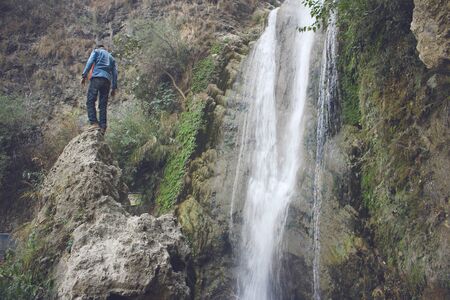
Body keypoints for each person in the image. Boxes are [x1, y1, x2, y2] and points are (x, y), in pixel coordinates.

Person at [81, 44, 118, 133]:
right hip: (107, 82)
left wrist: (84, 75)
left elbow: (90, 62)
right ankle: (103, 126)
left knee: (90, 100)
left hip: (97, 78)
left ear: (98, 47)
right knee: (103, 104)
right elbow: (115, 73)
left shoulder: (96, 51)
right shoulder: (111, 58)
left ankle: (94, 123)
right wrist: (113, 87)